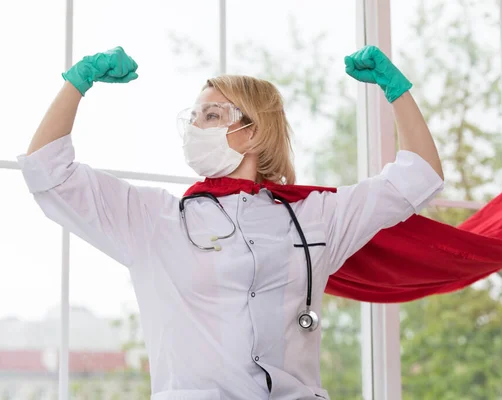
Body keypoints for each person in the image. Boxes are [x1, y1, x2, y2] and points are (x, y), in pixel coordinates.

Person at [18, 45, 444, 400]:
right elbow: (48, 172)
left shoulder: (314, 218)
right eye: (194, 117)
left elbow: (418, 176)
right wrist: (78, 83)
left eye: (212, 115)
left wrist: (397, 91)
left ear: (253, 132)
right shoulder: (153, 220)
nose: (194, 127)